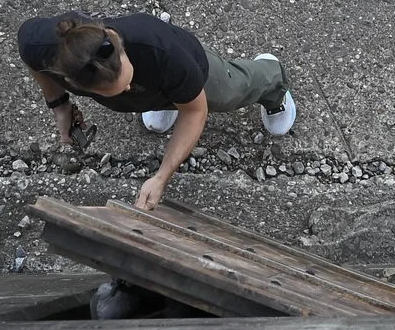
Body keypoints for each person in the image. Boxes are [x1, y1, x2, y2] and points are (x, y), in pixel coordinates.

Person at [19, 11, 295, 210]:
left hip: (189, 70)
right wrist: (59, 105)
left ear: (115, 39)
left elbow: (195, 112)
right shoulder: (43, 46)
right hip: (157, 86)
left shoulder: (163, 51)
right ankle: (164, 101)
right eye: (114, 91)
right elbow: (30, 58)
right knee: (146, 103)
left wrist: (162, 176)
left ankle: (270, 77)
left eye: (128, 81)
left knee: (230, 94)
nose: (128, 89)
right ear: (70, 79)